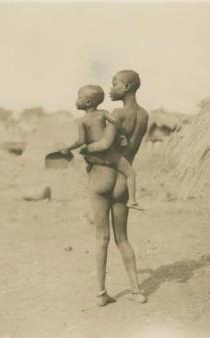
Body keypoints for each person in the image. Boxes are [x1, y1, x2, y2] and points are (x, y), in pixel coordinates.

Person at [82, 70, 149, 306]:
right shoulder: (144, 115)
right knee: (123, 238)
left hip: (103, 177)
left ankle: (101, 295)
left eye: (115, 84)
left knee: (102, 238)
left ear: (128, 87)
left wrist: (86, 149)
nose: (110, 89)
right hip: (123, 181)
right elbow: (126, 150)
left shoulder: (117, 113)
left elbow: (105, 145)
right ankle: (137, 291)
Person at [60, 84, 143, 210]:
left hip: (95, 155)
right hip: (110, 153)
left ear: (88, 102)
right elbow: (115, 122)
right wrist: (121, 135)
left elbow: (81, 141)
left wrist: (68, 148)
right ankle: (132, 201)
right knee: (130, 173)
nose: (76, 100)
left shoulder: (82, 121)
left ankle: (90, 173)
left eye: (79, 97)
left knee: (89, 164)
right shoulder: (103, 113)